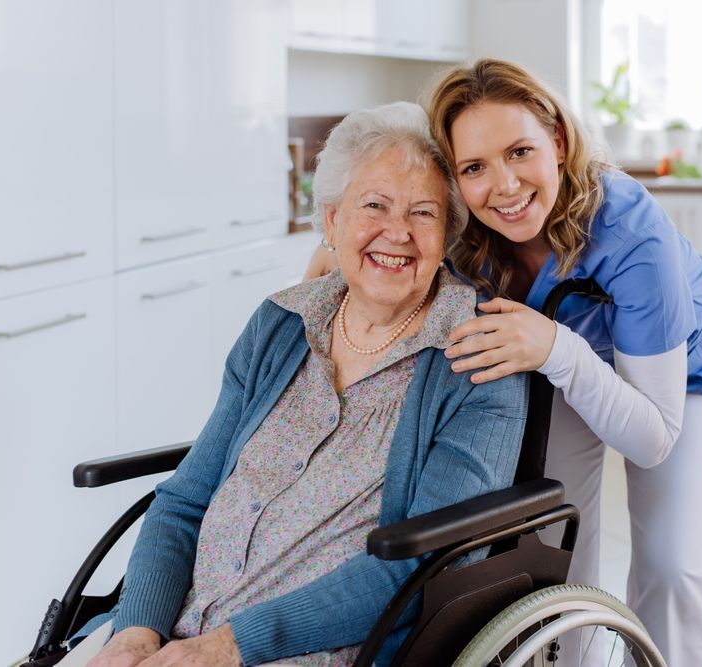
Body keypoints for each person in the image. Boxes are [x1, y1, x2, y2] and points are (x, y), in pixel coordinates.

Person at [68, 101, 527, 667]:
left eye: (424, 213)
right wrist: (136, 632)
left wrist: (228, 647)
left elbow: (423, 563)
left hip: (312, 649)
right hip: (172, 633)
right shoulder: (280, 323)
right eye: (374, 205)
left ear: (448, 233)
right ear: (332, 220)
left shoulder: (478, 357)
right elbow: (185, 502)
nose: (398, 233)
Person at [425, 59, 702, 667]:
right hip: (554, 364)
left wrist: (557, 348)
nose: (504, 185)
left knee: (672, 565)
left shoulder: (629, 229)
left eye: (520, 151)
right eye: (474, 167)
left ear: (559, 141)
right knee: (554, 552)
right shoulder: (463, 232)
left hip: (683, 377)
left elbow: (652, 437)